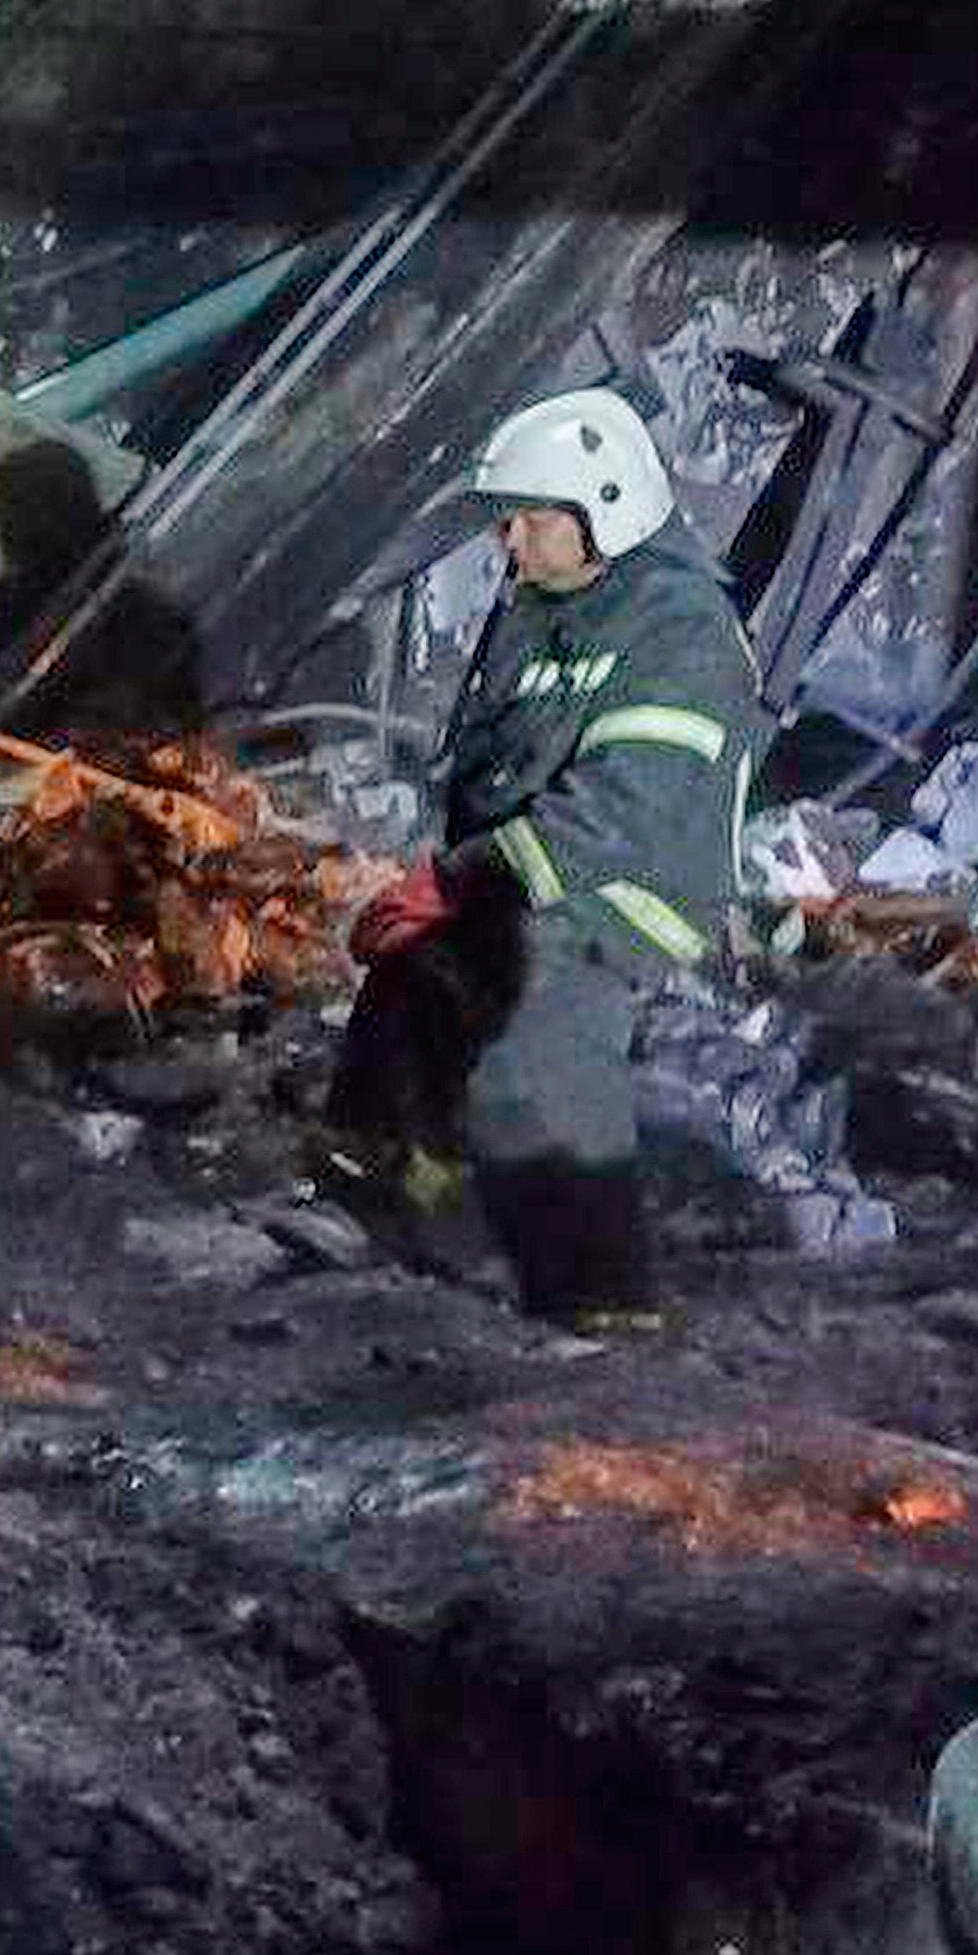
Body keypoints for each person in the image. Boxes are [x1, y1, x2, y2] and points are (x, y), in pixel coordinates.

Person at [323, 387, 760, 1323]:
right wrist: (438, 891)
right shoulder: (546, 606)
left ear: (606, 509)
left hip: (637, 885)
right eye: (506, 520)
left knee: (534, 994)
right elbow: (489, 771)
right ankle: (383, 1198)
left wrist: (457, 882)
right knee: (412, 970)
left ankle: (598, 1293)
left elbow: (623, 810)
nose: (508, 542)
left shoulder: (681, 630)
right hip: (538, 866)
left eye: (529, 520)